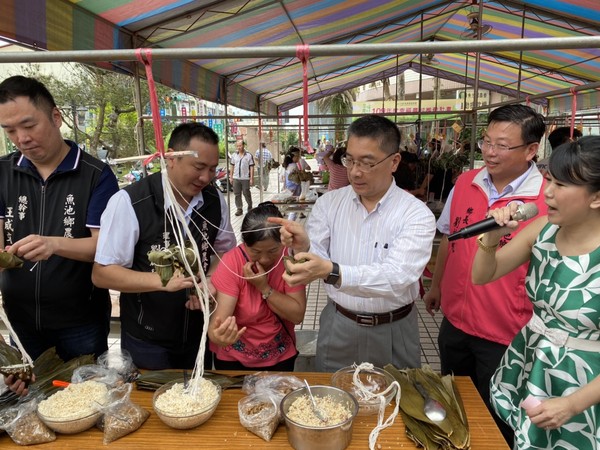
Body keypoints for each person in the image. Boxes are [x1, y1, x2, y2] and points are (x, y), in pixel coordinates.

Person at [423, 104, 548, 446]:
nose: (490, 153)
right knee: (455, 402)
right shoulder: (467, 181)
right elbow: (450, 237)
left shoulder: (545, 199)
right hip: (455, 322)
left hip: (505, 332)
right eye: (486, 142)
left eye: (502, 145)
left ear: (531, 150)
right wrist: (436, 286)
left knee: (497, 416)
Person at [271, 114, 436, 372]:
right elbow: (316, 257)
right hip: (339, 324)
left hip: (394, 329)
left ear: (394, 162)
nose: (355, 171)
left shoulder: (415, 214)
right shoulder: (329, 203)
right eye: (350, 160)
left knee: (396, 402)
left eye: (367, 163)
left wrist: (332, 271)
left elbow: (397, 277)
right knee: (333, 404)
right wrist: (302, 247)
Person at [472, 136, 600, 449]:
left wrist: (573, 404)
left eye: (562, 185)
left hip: (585, 382)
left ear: (597, 197)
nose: (548, 193)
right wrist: (491, 237)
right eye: (549, 180)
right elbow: (482, 275)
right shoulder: (542, 229)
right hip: (533, 361)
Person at [92, 122, 236, 370]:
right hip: (147, 336)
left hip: (198, 328)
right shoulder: (130, 202)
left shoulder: (214, 200)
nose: (206, 177)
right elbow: (102, 273)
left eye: (213, 169)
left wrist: (212, 279)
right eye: (199, 167)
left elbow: (224, 251)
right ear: (170, 157)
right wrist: (161, 282)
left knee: (197, 397)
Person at [0, 75, 119, 363]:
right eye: (10, 130)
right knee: (31, 395)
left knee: (85, 396)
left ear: (56, 117)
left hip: (80, 320)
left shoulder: (95, 175)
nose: (21, 138)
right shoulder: (3, 171)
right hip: (20, 317)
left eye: (29, 126)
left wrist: (54, 244)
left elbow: (104, 247)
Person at [208, 202, 306, 371]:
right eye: (256, 252)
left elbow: (297, 315)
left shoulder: (289, 260)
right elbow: (218, 324)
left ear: (283, 241)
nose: (265, 259)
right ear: (244, 243)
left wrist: (264, 288)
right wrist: (219, 336)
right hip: (234, 360)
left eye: (273, 250)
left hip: (280, 357)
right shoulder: (231, 263)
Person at [230, 140, 254, 216]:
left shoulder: (249, 155)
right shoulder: (234, 155)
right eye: (237, 146)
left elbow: (252, 167)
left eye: (240, 146)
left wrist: (251, 178)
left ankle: (250, 208)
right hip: (236, 178)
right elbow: (232, 166)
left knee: (246, 193)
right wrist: (231, 177)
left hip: (245, 178)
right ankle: (239, 209)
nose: (239, 147)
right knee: (237, 194)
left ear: (243, 145)